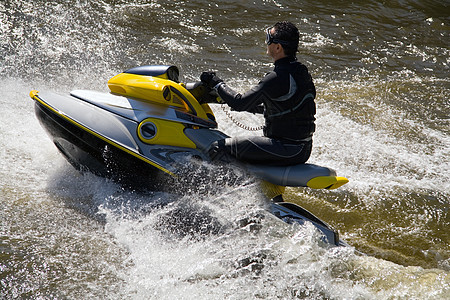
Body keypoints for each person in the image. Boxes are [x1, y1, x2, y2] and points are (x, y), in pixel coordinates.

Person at [201, 21, 316, 166]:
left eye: (268, 39)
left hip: (286, 149)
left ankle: (228, 187)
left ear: (278, 47)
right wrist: (233, 101)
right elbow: (288, 108)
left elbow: (239, 103)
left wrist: (215, 82)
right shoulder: (301, 72)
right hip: (303, 149)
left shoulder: (277, 77)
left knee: (217, 147)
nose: (266, 42)